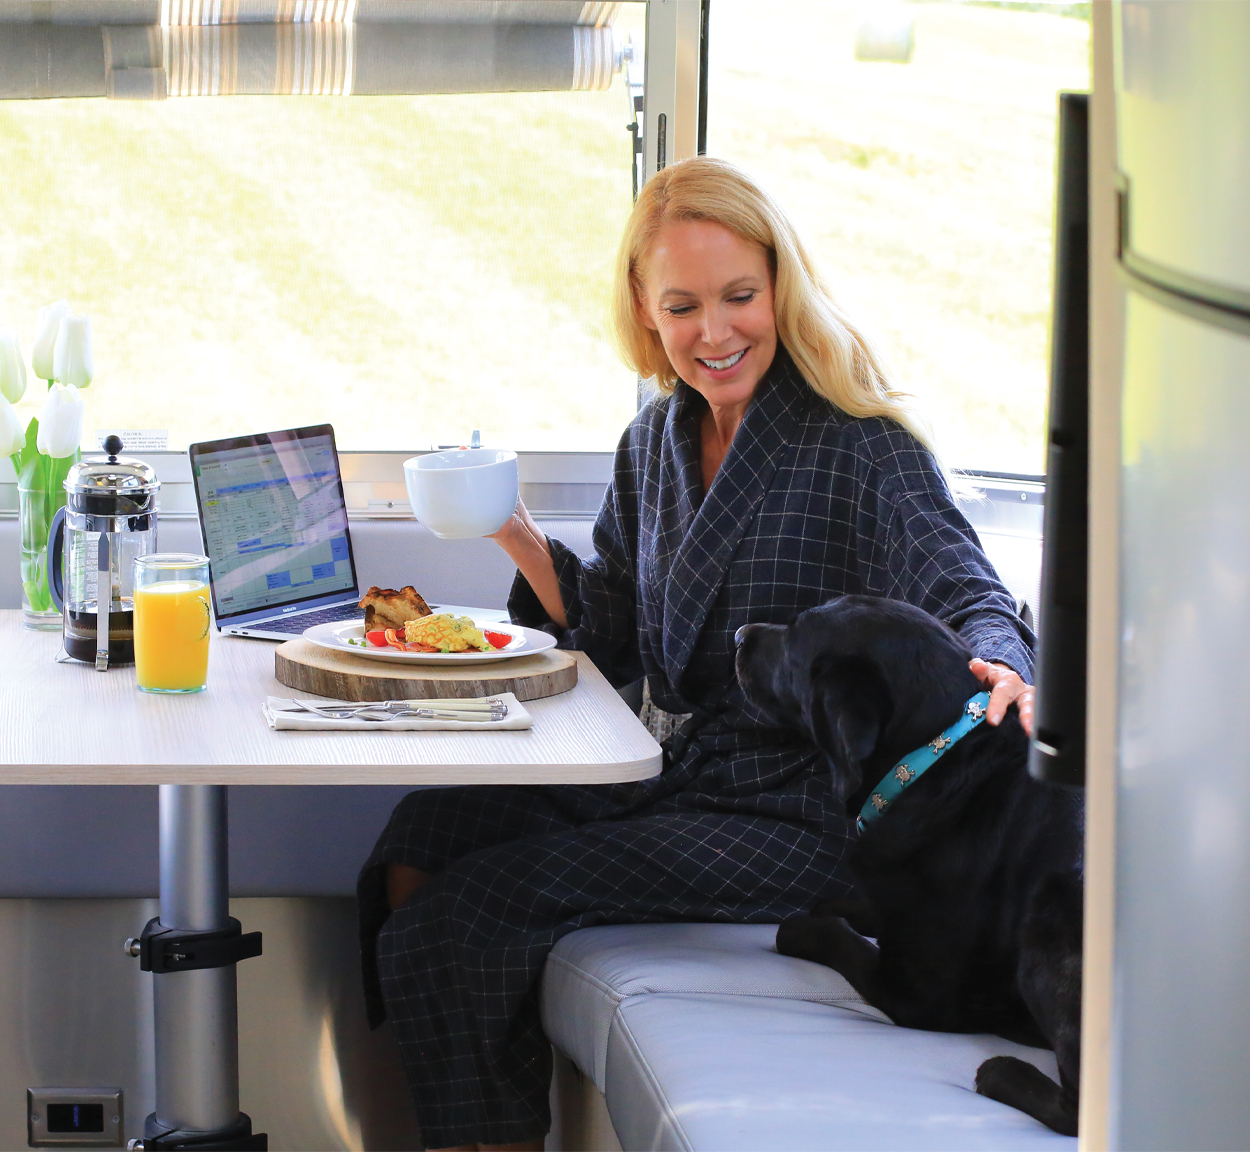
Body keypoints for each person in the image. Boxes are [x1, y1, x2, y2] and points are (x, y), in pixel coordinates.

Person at [357, 156, 1035, 1152]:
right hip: (673, 776)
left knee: (473, 911)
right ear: (644, 311)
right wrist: (515, 537)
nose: (713, 333)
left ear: (779, 289)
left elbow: (962, 586)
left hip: (799, 815)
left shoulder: (859, 444)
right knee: (419, 833)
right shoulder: (652, 444)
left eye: (738, 297)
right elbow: (614, 639)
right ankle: (455, 1119)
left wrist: (1000, 662)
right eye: (682, 306)